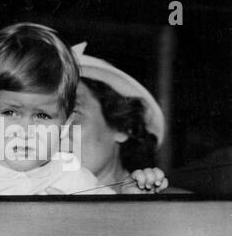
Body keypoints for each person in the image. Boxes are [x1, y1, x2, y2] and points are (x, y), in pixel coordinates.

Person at [0, 23, 168, 210]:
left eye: (42, 116)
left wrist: (132, 200)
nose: (25, 130)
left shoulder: (72, 175)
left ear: (65, 126)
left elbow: (114, 223)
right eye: (10, 112)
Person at [64, 43, 169, 193]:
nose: (56, 131)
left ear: (122, 127)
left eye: (72, 113)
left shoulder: (174, 205)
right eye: (46, 116)